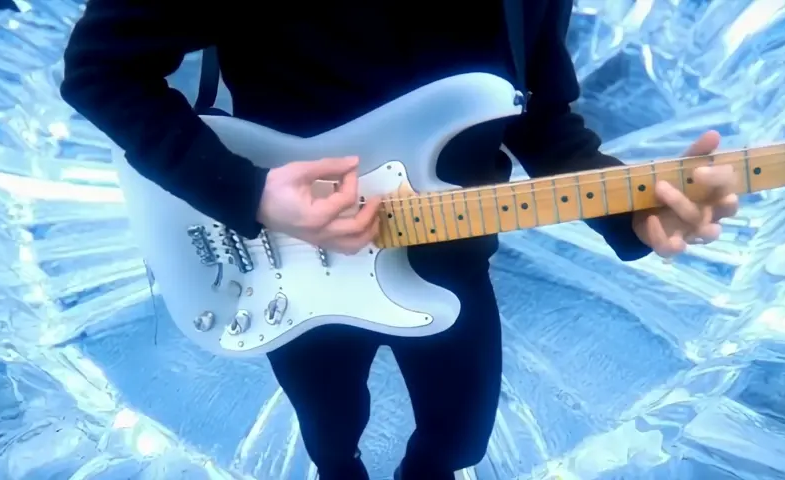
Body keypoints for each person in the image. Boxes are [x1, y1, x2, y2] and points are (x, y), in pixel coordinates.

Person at [59, 1, 739, 478]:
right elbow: (102, 71)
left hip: (454, 255)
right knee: (330, 425)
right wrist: (250, 193)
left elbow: (542, 118)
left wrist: (637, 211)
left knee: (457, 436)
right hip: (292, 256)